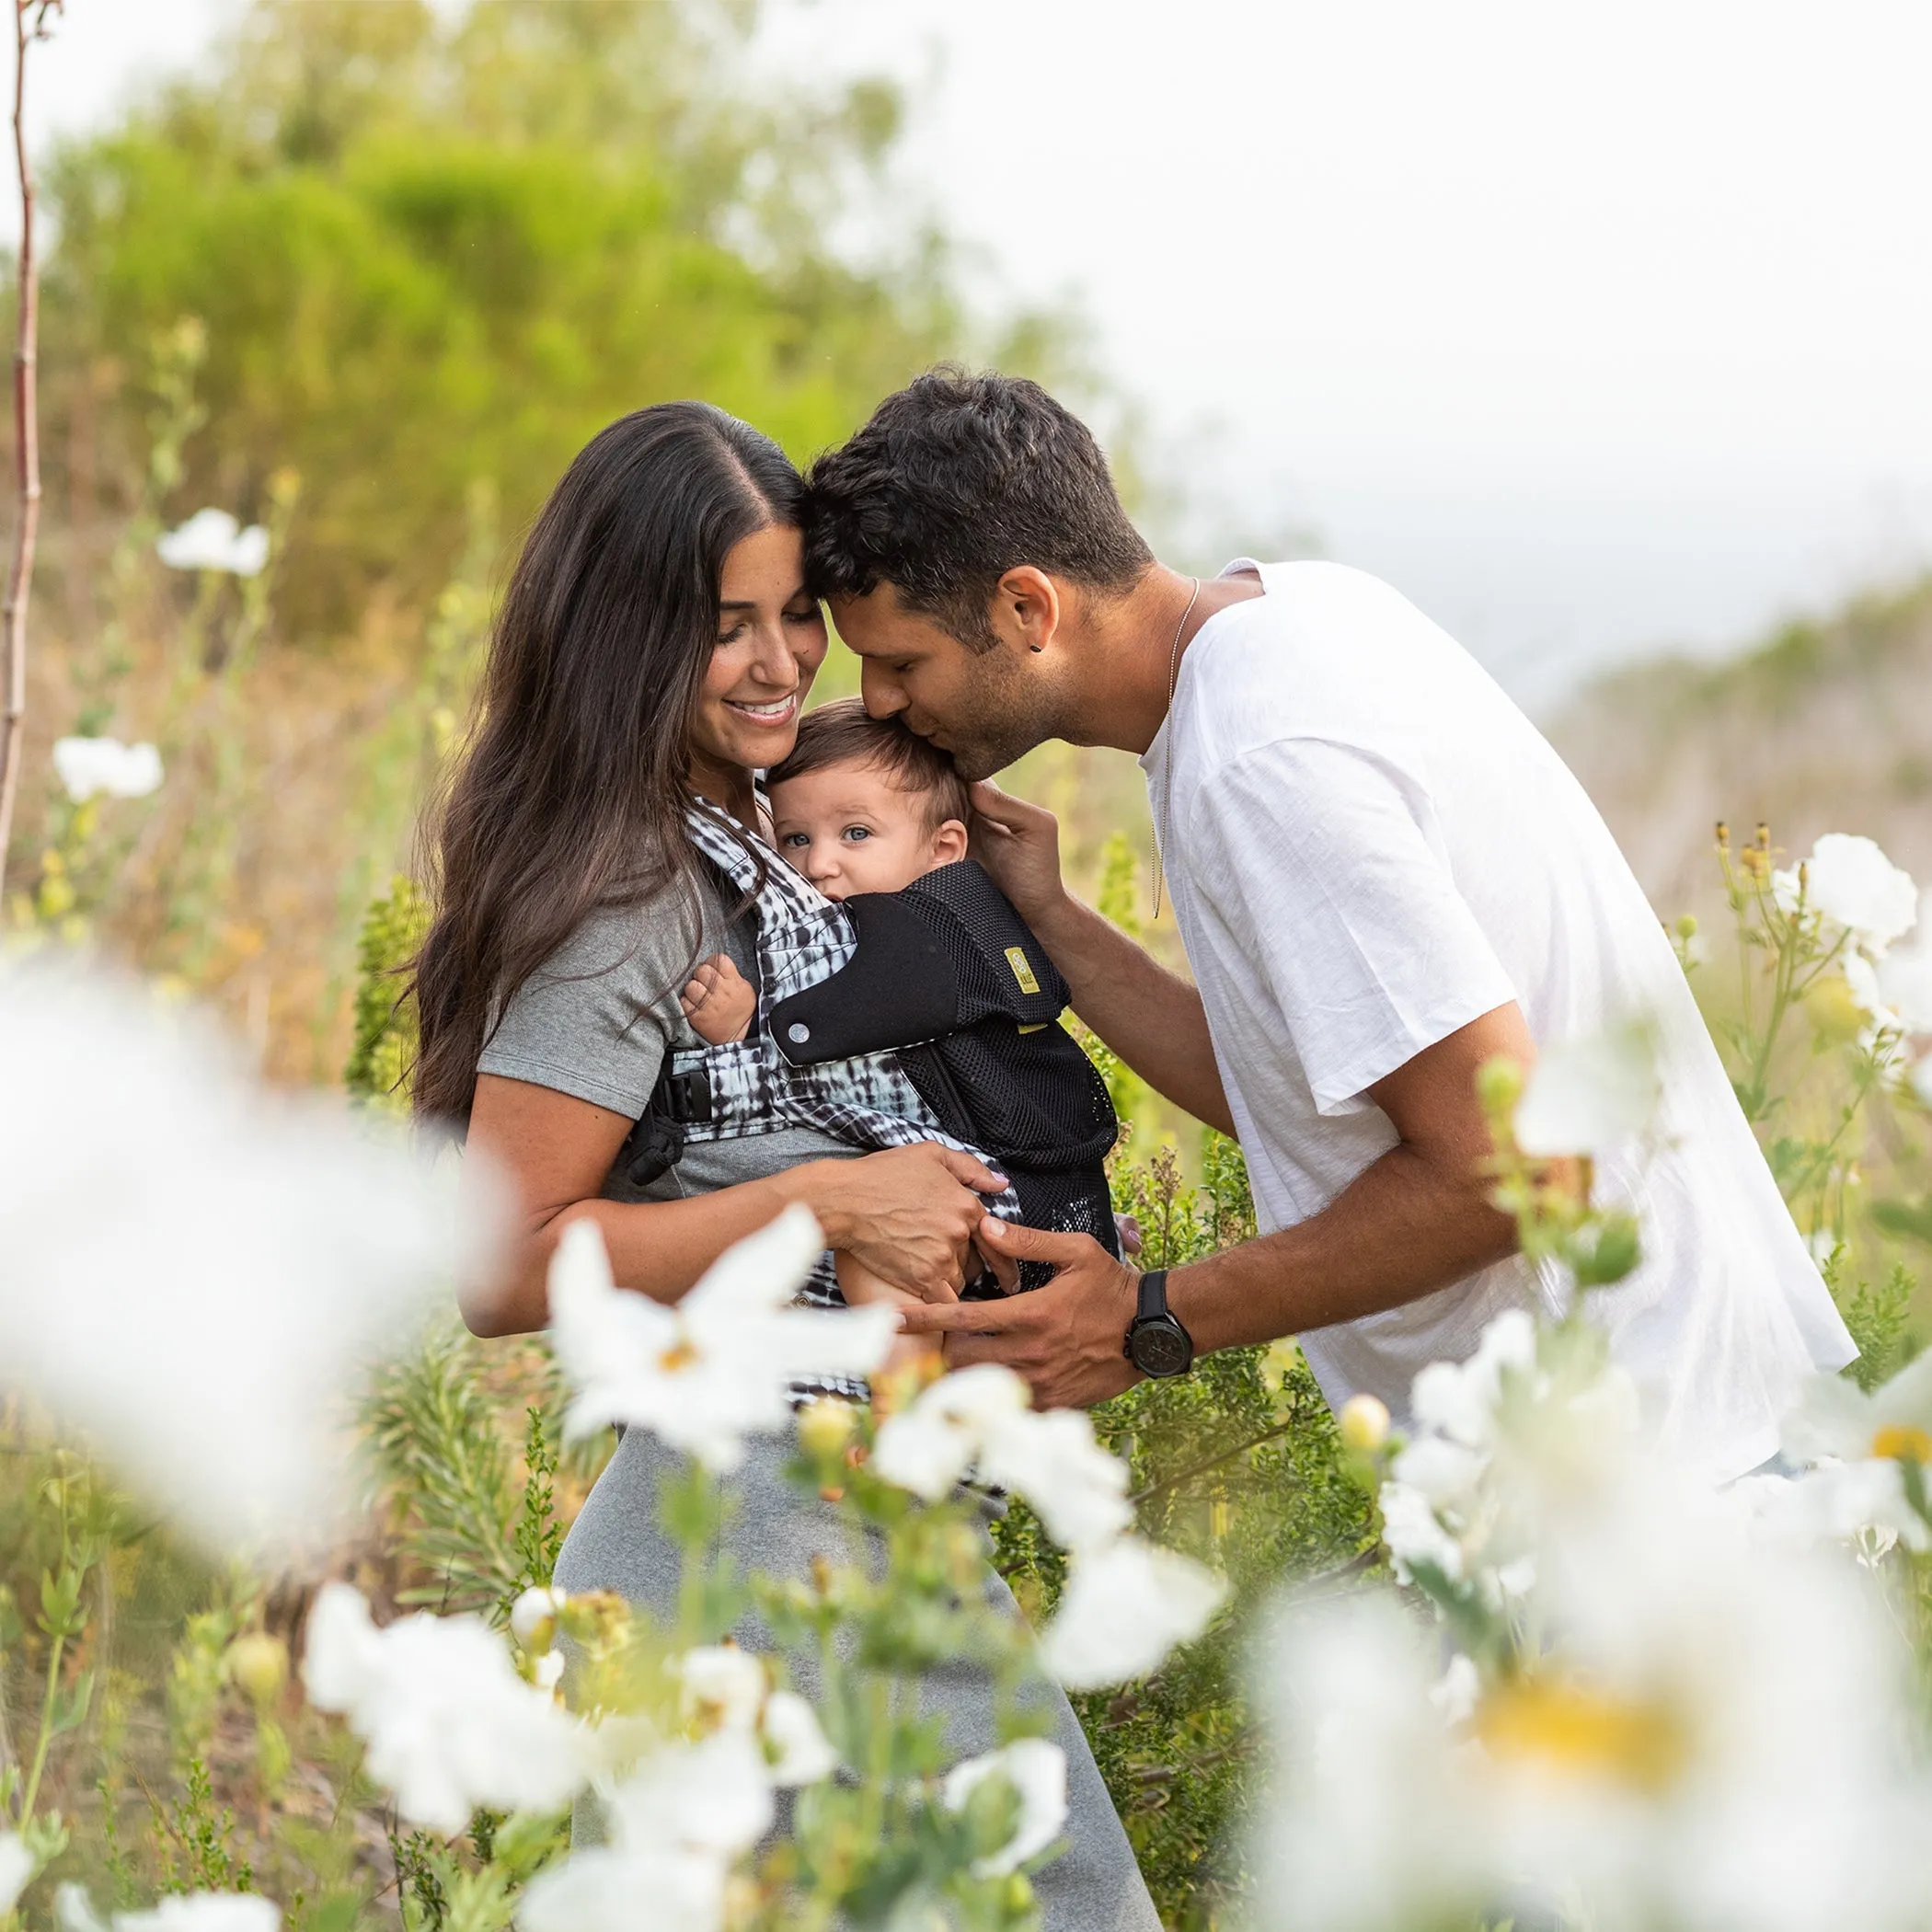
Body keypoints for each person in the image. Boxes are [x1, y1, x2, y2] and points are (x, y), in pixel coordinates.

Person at [799, 367, 1857, 1485]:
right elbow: (1306, 1093)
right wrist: (1052, 917)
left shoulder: (1263, 760)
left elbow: (1516, 1170)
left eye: (901, 660)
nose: (872, 699)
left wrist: (1148, 1316)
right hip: (1662, 1442)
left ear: (1028, 609)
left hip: (1653, 1475)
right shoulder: (1295, 621)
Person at [410, 399, 1163, 1927]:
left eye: (798, 618)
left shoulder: (762, 828)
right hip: (759, 1530)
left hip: (850, 1517)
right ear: (626, 638)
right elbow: (499, 1262)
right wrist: (821, 1202)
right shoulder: (629, 893)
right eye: (725, 628)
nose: (780, 664)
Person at [672, 696, 1122, 1361]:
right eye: (796, 838)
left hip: (973, 1196)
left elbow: (827, 1068)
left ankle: (896, 1418)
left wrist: (745, 1029)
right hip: (1017, 1194)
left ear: (944, 849)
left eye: (855, 834)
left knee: (875, 1260)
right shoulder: (975, 929)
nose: (819, 862)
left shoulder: (906, 944)